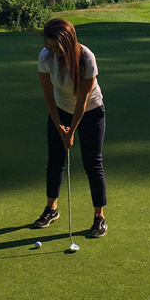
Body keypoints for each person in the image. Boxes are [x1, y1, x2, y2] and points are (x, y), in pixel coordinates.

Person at [33, 18, 107, 238]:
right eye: (49, 46)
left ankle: (99, 218)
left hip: (91, 111)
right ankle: (51, 209)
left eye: (57, 47)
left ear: (68, 41)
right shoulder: (46, 57)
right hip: (60, 109)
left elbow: (83, 99)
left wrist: (71, 131)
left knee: (93, 164)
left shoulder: (86, 58)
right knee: (55, 160)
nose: (53, 51)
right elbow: (48, 95)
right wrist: (59, 127)